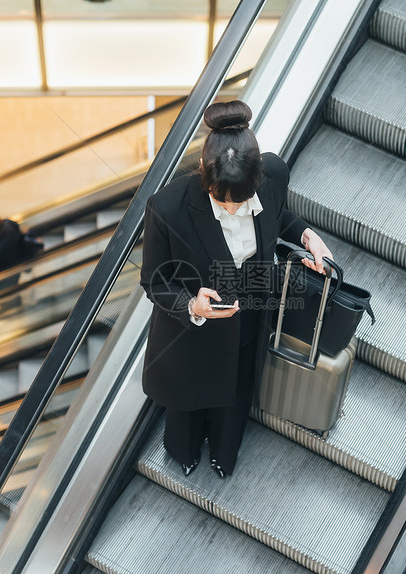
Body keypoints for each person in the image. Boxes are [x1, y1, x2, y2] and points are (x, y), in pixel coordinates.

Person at [139, 100, 333, 479]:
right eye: (220, 201)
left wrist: (308, 236)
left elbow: (280, 215)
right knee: (188, 400)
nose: (230, 211)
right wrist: (192, 305)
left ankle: (223, 454)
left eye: (239, 202)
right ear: (202, 172)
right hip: (194, 326)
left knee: (237, 388)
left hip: (250, 310)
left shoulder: (274, 176)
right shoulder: (167, 208)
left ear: (259, 175)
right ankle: (185, 453)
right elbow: (154, 280)